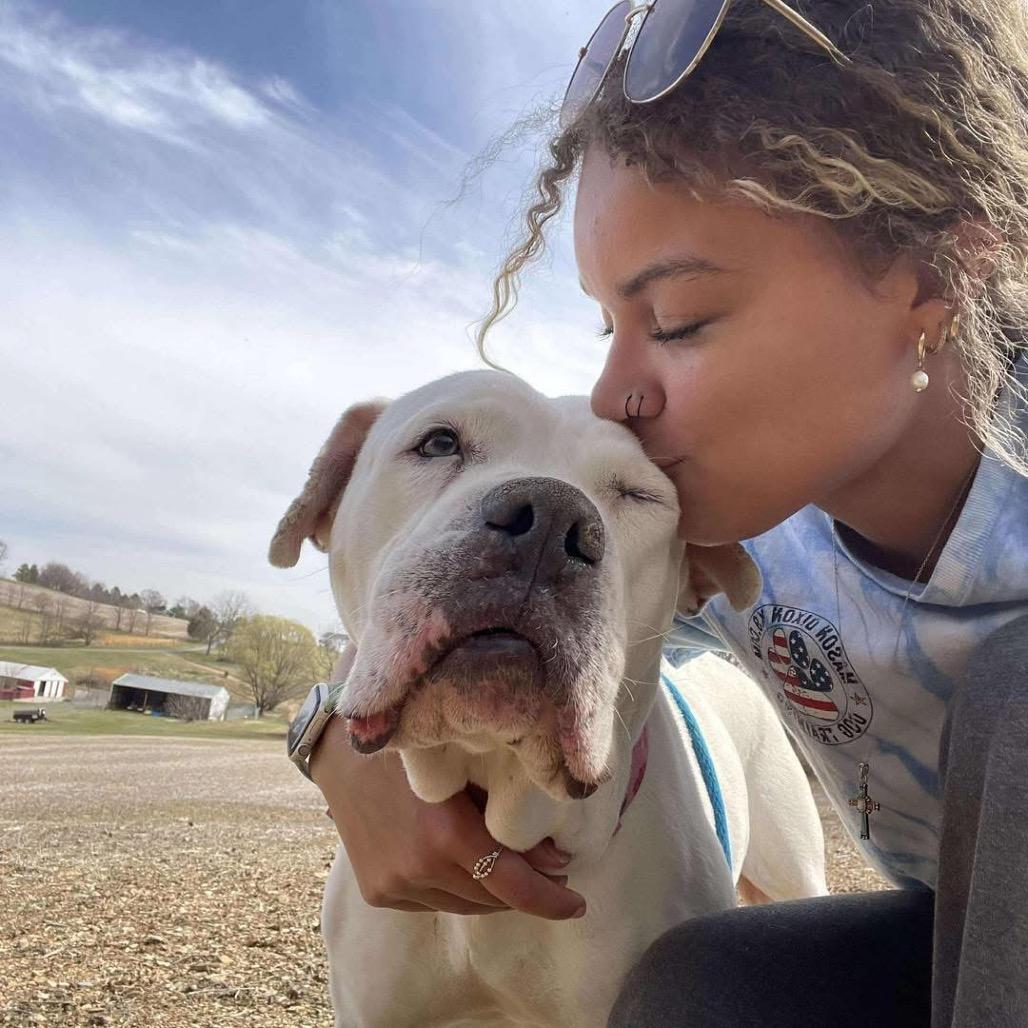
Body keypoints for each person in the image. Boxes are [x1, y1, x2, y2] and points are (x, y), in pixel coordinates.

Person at [308, 1, 1028, 1024]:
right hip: (951, 929)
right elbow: (501, 619)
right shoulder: (733, 541)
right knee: (701, 983)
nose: (610, 395)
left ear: (933, 275)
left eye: (679, 319)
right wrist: (330, 738)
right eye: (608, 324)